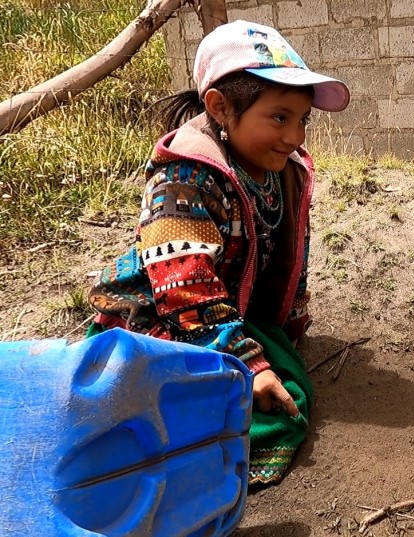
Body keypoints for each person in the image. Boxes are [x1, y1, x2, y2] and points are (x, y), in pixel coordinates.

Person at [86, 20, 350, 486]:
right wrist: (252, 365)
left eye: (302, 120)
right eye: (279, 118)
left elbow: (291, 260)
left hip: (225, 314)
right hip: (158, 318)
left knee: (284, 385)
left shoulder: (281, 174)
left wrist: (287, 330)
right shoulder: (183, 180)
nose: (295, 137)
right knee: (170, 418)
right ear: (221, 108)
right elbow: (184, 288)